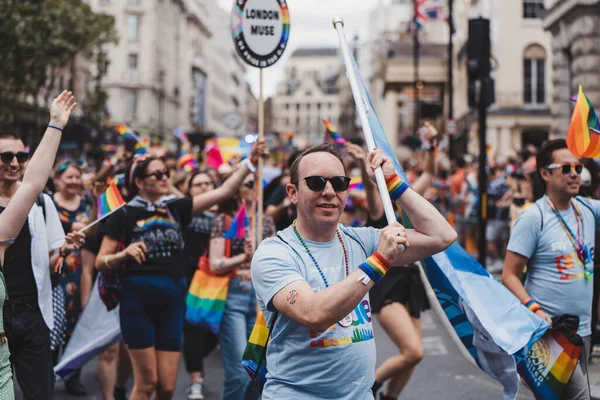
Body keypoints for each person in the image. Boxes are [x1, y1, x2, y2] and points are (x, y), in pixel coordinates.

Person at [251, 143, 456, 399]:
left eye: (339, 183)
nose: (329, 191)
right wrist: (379, 260)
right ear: (292, 192)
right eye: (316, 182)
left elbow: (442, 236)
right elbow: (313, 313)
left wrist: (392, 183)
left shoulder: (361, 240)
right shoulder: (274, 252)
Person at [95, 141, 267, 400]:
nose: (165, 178)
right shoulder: (124, 214)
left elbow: (225, 192)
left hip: (173, 300)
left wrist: (250, 161)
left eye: (166, 173)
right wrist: (122, 254)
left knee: (166, 386)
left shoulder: (176, 208)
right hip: (137, 301)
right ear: (140, 182)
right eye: (157, 174)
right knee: (146, 383)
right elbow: (100, 260)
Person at [0, 91, 83, 399]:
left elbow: (34, 183)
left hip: (32, 314)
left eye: (20, 157)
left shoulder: (37, 204)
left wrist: (56, 125)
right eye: (5, 157)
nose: (13, 163)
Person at [502, 139, 599, 400]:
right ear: (545, 174)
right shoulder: (534, 217)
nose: (574, 174)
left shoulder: (588, 210)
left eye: (578, 168)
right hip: (551, 334)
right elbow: (509, 274)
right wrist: (534, 308)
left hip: (584, 330)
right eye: (565, 168)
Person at [367, 128, 437, 400]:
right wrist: (369, 168)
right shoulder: (376, 206)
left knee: (412, 356)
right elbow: (372, 188)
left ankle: (389, 398)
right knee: (413, 351)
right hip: (387, 282)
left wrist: (431, 146)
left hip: (410, 279)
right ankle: (367, 385)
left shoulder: (404, 199)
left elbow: (429, 175)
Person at [209, 173, 275, 400]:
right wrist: (242, 257)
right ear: (238, 190)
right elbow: (215, 264)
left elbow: (275, 261)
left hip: (260, 297)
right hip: (234, 295)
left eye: (259, 183)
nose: (255, 188)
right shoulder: (224, 220)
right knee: (238, 371)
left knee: (257, 369)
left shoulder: (265, 221)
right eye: (249, 184)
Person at [51, 160, 98, 395]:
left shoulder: (87, 203)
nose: (73, 181)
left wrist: (96, 206)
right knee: (52, 324)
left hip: (80, 270)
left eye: (76, 177)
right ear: (58, 179)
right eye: (68, 177)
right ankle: (46, 373)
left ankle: (72, 376)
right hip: (54, 270)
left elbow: (92, 229)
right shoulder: (47, 202)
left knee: (76, 324)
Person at [182, 170, 219, 400]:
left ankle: (193, 357)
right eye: (198, 184)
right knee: (193, 327)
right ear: (190, 190)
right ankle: (196, 379)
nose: (204, 187)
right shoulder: (185, 211)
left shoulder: (225, 212)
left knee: (213, 332)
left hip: (218, 278)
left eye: (208, 183)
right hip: (190, 276)